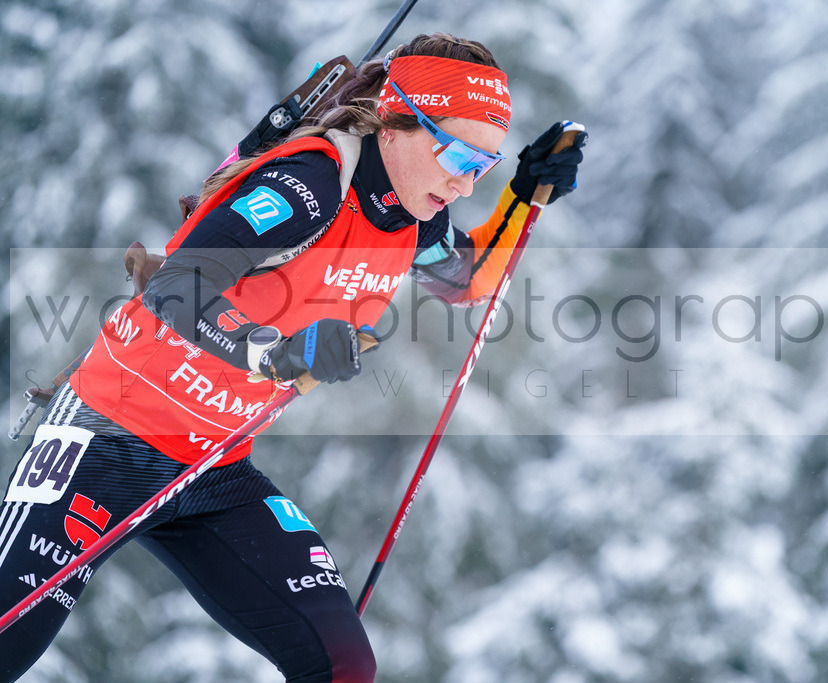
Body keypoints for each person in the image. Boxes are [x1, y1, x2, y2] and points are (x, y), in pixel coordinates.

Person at [0, 32, 586, 682]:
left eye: (482, 165)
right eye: (453, 152)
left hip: (210, 469)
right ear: (394, 120)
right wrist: (276, 354)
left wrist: (525, 191)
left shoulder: (415, 218)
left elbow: (466, 281)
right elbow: (176, 288)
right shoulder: (310, 185)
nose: (464, 182)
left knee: (341, 663)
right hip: (106, 439)